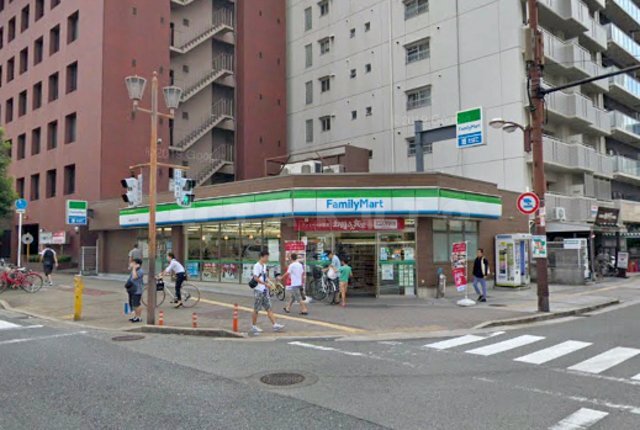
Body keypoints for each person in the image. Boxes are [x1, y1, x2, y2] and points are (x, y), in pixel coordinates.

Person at [250, 250, 284, 334]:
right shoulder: (257, 266)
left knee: (268, 308)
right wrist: (265, 284)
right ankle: (253, 326)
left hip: (264, 290)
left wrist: (271, 282)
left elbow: (265, 277)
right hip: (258, 290)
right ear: (262, 257)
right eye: (266, 257)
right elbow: (255, 278)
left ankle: (275, 324)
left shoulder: (264, 266)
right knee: (256, 309)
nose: (267, 259)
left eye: (268, 257)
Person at [126, 258, 145, 323]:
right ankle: (136, 316)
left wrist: (134, 268)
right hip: (132, 289)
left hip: (137, 290)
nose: (131, 264)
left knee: (137, 304)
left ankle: (139, 317)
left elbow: (134, 277)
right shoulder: (135, 270)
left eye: (133, 263)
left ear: (137, 264)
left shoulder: (140, 271)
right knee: (133, 304)